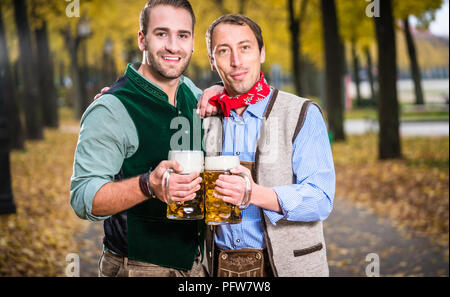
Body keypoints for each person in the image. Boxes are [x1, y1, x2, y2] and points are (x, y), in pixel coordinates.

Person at [70, 0, 221, 277]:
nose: (173, 46)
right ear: (142, 38)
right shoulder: (111, 108)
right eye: (161, 33)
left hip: (197, 264)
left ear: (193, 43)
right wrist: (147, 186)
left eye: (182, 35)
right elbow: (83, 198)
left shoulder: (192, 93)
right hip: (138, 267)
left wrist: (219, 88)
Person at [200, 14, 336, 277]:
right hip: (218, 269)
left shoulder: (302, 113)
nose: (236, 61)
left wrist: (254, 194)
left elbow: (321, 199)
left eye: (245, 47)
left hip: (289, 269)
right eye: (224, 51)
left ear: (262, 53)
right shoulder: (205, 113)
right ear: (212, 60)